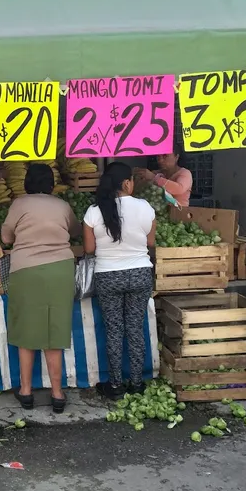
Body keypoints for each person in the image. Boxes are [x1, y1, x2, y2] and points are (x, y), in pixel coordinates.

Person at [0, 164, 81, 414]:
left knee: (27, 329)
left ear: (27, 183)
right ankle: (57, 394)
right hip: (60, 270)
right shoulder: (62, 206)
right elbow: (75, 231)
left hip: (27, 270)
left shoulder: (19, 204)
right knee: (54, 329)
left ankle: (25, 391)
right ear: (51, 184)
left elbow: (6, 238)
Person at [83, 162, 156, 400]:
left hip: (108, 275)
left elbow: (89, 249)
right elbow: (151, 242)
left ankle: (115, 386)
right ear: (126, 183)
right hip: (139, 274)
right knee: (135, 328)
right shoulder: (145, 207)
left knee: (113, 330)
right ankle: (136, 383)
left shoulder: (94, 211)